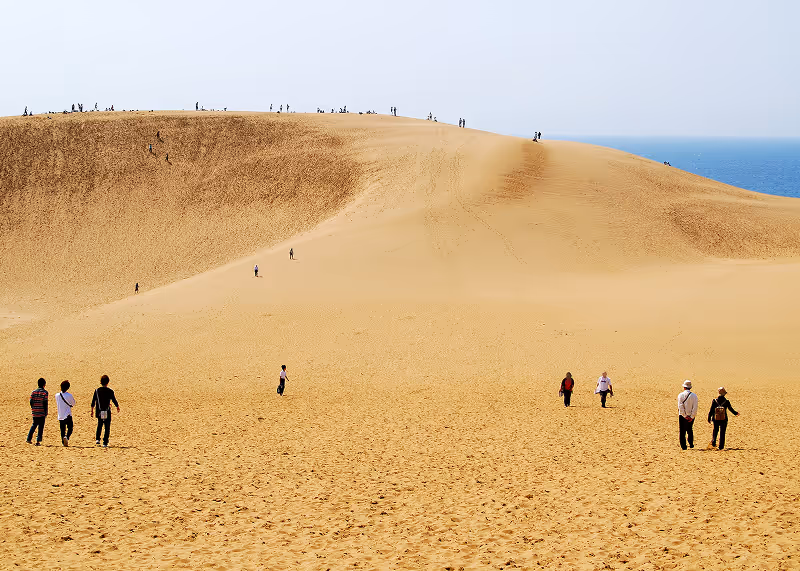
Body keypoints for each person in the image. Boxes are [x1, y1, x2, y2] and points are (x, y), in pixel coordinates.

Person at [90, 375, 120, 447]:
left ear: (101, 382)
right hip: (107, 411)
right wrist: (117, 406)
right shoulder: (110, 391)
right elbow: (113, 400)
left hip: (99, 410)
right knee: (107, 426)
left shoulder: (97, 391)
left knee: (99, 424)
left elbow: (93, 401)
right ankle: (105, 442)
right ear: (108, 382)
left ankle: (97, 439)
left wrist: (92, 410)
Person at [27, 378, 49, 445]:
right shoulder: (45, 392)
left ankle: (29, 438)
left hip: (35, 411)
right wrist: (46, 412)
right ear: (44, 385)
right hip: (41, 412)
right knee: (41, 426)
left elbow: (31, 401)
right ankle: (38, 440)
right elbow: (45, 403)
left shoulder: (33, 392)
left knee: (34, 425)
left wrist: (33, 408)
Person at [677, 380, 698, 450]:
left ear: (684, 387)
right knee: (690, 430)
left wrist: (684, 415)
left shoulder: (680, 395)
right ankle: (691, 444)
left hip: (682, 416)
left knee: (682, 431)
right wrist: (692, 416)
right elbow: (695, 407)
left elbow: (680, 406)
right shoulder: (694, 396)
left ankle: (683, 446)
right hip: (691, 415)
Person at [56, 380, 76, 447]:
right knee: (70, 428)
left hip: (60, 415)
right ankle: (67, 437)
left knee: (62, 430)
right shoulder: (69, 395)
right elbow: (73, 403)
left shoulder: (57, 395)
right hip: (67, 414)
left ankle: (63, 442)